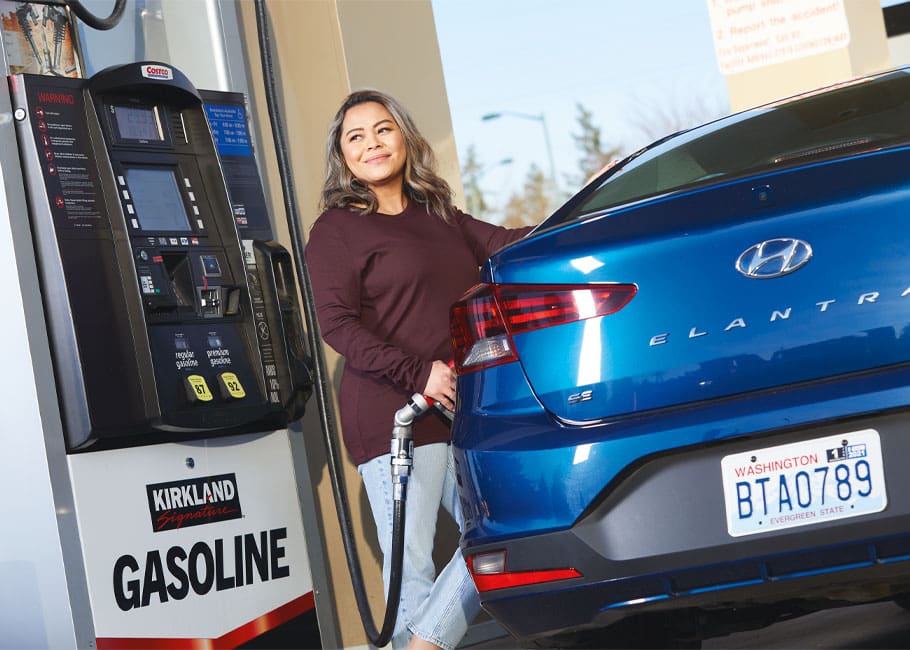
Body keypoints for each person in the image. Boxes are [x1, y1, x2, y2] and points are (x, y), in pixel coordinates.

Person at [304, 89, 533, 650]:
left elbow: (512, 247)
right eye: (355, 137)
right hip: (394, 414)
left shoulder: (441, 217)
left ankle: (423, 646)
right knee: (411, 571)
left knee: (503, 532)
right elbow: (335, 325)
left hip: (458, 409)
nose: (372, 144)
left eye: (382, 130)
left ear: (403, 136)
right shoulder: (337, 230)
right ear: (344, 156)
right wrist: (417, 373)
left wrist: (589, 206)